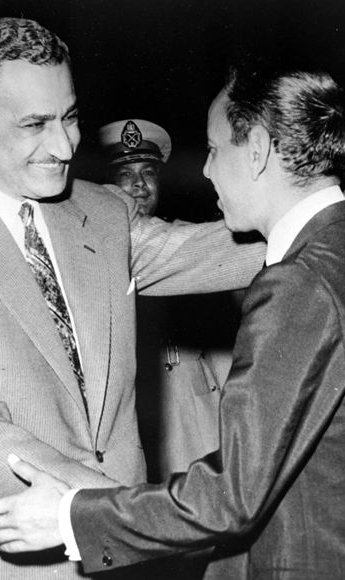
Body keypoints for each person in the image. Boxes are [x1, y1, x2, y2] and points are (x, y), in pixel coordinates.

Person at [0, 18, 345, 580]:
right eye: (35, 124)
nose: (65, 145)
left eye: (69, 118)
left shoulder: (101, 212)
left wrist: (326, 206)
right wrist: (125, 511)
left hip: (105, 551)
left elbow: (212, 247)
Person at [0, 63, 345, 580]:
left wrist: (69, 517)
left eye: (214, 150)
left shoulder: (300, 285)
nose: (207, 170)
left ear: (256, 150)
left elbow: (232, 494)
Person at [98, 119, 238, 486]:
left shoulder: (193, 247)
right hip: (124, 423)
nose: (139, 184)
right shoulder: (89, 254)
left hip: (190, 418)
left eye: (148, 172)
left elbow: (225, 352)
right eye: (124, 173)